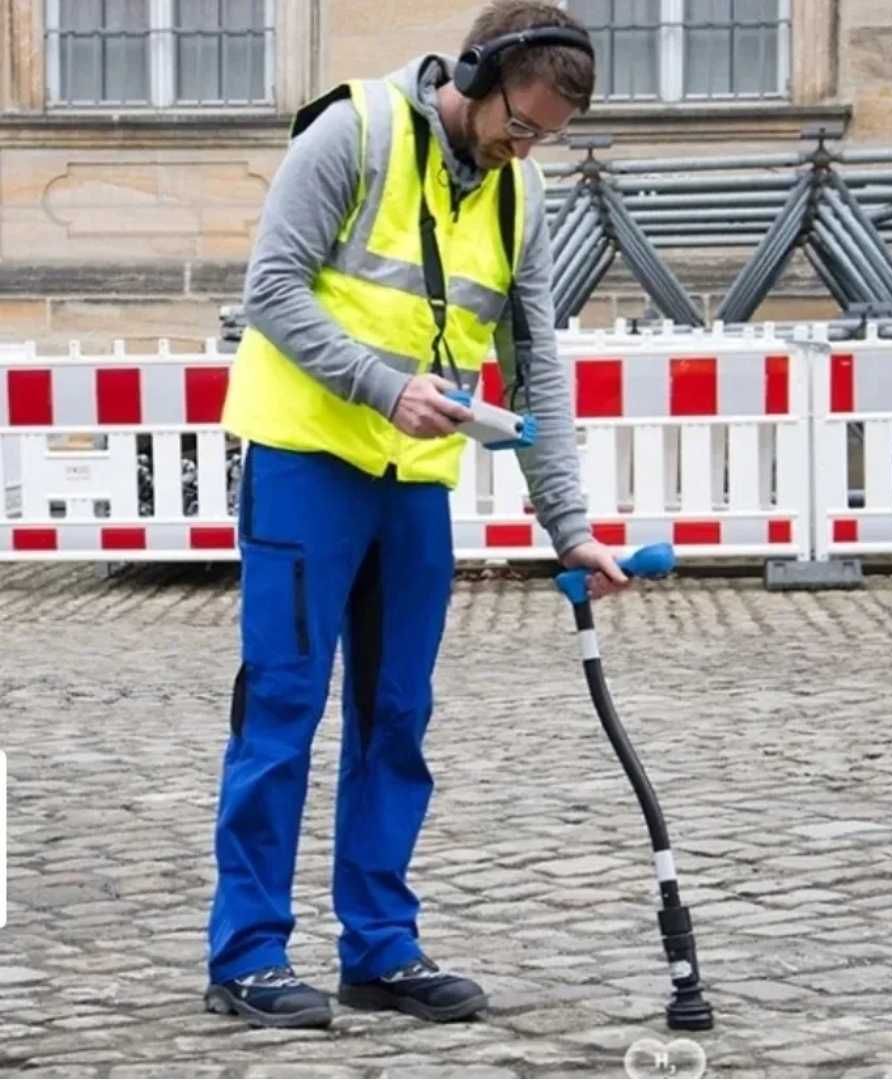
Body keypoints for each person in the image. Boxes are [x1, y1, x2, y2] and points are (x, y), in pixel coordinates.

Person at [204, 0, 626, 1030]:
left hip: (413, 489)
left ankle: (379, 949)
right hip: (306, 465)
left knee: (397, 719)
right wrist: (381, 383)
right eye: (517, 125)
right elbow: (269, 289)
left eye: (545, 139)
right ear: (476, 75)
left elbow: (535, 367)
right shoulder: (351, 131)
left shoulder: (518, 195)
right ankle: (246, 956)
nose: (524, 149)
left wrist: (566, 524)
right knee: (282, 712)